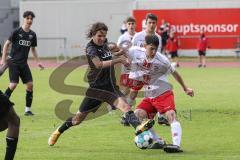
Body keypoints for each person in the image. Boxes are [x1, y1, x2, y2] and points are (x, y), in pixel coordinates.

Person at [48, 22, 154, 146]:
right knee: (77, 120)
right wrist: (119, 60)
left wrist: (120, 53)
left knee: (126, 107)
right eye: (99, 36)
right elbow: (99, 64)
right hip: (96, 90)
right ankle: (58, 131)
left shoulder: (104, 44)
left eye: (104, 36)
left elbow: (110, 52)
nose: (102, 38)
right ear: (93, 34)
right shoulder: (90, 48)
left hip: (110, 87)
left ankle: (138, 128)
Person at [129, 35, 194, 152]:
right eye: (151, 48)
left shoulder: (162, 60)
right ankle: (158, 141)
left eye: (156, 49)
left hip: (163, 93)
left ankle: (176, 145)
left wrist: (185, 88)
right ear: (144, 46)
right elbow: (122, 51)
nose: (154, 52)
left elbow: (175, 73)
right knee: (137, 114)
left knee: (171, 115)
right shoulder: (136, 53)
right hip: (150, 95)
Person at [0, 11, 44, 116]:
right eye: (27, 18)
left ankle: (27, 110)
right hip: (13, 62)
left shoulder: (32, 35)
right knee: (13, 84)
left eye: (31, 19)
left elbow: (33, 49)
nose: (29, 20)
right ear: (24, 19)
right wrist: (3, 59)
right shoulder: (16, 32)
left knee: (30, 85)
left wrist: (38, 62)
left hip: (24, 64)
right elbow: (6, 45)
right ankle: (2, 107)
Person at [130, 13, 169, 126]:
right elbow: (133, 52)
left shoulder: (159, 38)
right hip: (138, 69)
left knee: (157, 90)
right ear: (145, 23)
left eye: (154, 23)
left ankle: (161, 116)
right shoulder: (138, 36)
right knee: (133, 92)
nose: (151, 25)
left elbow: (158, 54)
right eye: (149, 23)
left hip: (152, 70)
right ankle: (127, 114)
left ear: (156, 24)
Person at [117, 17, 137, 126]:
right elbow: (117, 50)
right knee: (125, 90)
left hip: (137, 67)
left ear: (135, 24)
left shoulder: (138, 36)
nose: (131, 25)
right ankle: (118, 103)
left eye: (133, 23)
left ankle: (126, 113)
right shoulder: (122, 37)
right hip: (126, 66)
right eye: (129, 23)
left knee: (134, 89)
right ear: (126, 25)